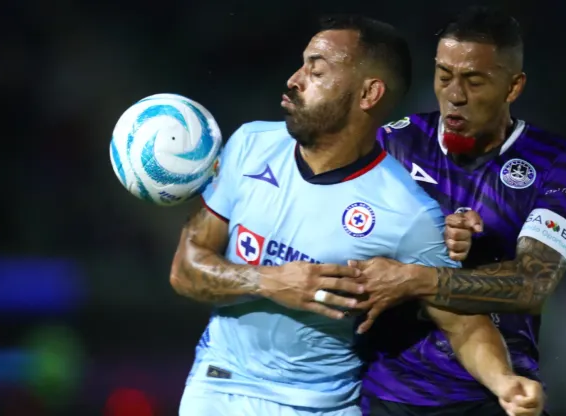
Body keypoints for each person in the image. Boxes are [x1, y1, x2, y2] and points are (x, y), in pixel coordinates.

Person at [169, 14, 538, 416]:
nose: (295, 79)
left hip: (322, 406)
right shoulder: (249, 144)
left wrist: (505, 382)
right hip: (219, 387)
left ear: (369, 94)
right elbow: (185, 270)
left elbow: (464, 324)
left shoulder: (408, 212)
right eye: (301, 64)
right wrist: (269, 281)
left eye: (317, 69)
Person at [347, 6, 566, 415]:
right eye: (444, 76)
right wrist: (423, 237)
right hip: (389, 393)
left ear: (513, 87)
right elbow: (344, 249)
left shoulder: (559, 163)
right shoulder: (393, 145)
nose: (454, 96)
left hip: (500, 394)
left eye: (474, 81)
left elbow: (533, 282)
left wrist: (417, 275)